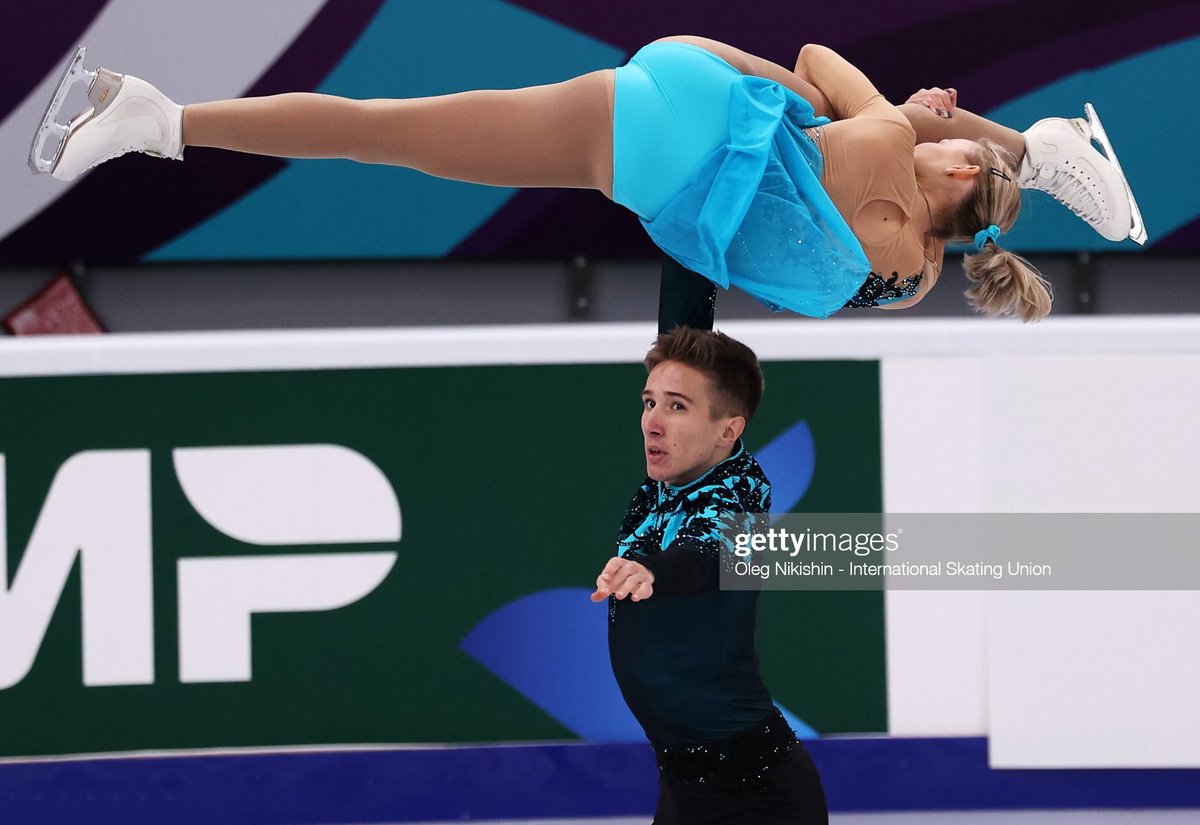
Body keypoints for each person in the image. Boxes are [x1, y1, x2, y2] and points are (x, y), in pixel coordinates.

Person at [33, 38, 1142, 321]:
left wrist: (913, 116)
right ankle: (157, 120)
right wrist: (913, 133)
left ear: (954, 175)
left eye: (972, 152)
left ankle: (156, 116)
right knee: (380, 132)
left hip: (678, 112)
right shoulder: (907, 276)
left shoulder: (898, 176)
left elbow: (816, 63)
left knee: (379, 126)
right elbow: (824, 120)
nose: (959, 137)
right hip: (655, 165)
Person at [590, 326, 827, 825]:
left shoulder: (740, 493)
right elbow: (683, 295)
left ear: (729, 430)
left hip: (757, 798)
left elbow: (709, 552)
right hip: (684, 787)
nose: (651, 423)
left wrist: (652, 568)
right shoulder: (674, 474)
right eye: (648, 401)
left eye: (676, 407)